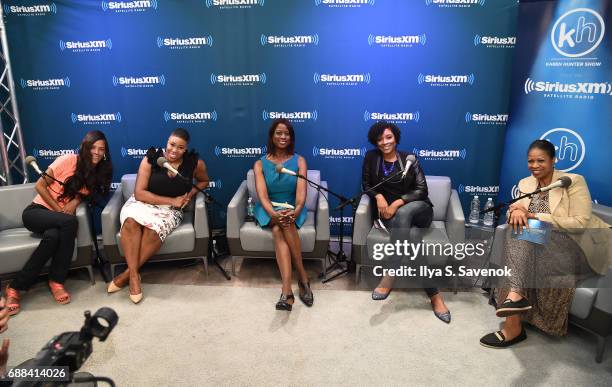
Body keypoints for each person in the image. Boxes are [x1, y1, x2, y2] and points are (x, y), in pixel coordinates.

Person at [480, 139, 611, 348]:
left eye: (540, 160)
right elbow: (518, 209)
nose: (534, 166)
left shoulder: (573, 181)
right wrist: (515, 212)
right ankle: (515, 308)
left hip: (575, 247)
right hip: (540, 244)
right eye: (530, 161)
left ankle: (513, 317)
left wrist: (534, 216)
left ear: (553, 160)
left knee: (525, 233)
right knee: (519, 233)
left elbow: (580, 223)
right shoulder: (526, 183)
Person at [4, 130, 113, 315]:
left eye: (101, 149)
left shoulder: (97, 174)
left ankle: (15, 287)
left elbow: (84, 195)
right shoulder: (68, 160)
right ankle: (57, 280)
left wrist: (75, 201)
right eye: (93, 147)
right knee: (70, 222)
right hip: (36, 213)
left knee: (53, 236)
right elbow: (40, 185)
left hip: (58, 222)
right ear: (85, 148)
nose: (97, 152)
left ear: (105, 153)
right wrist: (59, 209)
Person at [362, 121, 451, 323]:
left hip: (419, 209)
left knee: (403, 214)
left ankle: (390, 272)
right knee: (411, 236)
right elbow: (366, 184)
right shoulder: (371, 157)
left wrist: (397, 203)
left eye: (389, 137)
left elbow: (422, 190)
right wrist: (379, 197)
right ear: (374, 141)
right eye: (380, 138)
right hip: (394, 218)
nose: (384, 142)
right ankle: (435, 296)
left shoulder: (409, 159)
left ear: (396, 138)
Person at [108, 128, 209, 303]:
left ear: (186, 149)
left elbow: (204, 181)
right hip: (142, 203)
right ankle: (133, 277)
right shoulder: (151, 158)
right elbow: (139, 193)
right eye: (172, 144)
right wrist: (172, 200)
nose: (174, 150)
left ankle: (127, 274)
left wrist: (189, 195)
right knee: (131, 222)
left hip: (169, 212)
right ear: (167, 142)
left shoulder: (194, 163)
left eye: (180, 147)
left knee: (153, 231)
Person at [253, 118, 313, 311]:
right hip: (269, 208)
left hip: (292, 207)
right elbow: (262, 196)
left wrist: (295, 211)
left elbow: (301, 192)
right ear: (272, 136)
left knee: (280, 230)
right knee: (282, 223)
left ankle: (286, 292)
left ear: (291, 137)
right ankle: (302, 278)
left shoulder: (300, 160)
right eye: (279, 133)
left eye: (286, 133)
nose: (283, 137)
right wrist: (273, 213)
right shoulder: (260, 164)